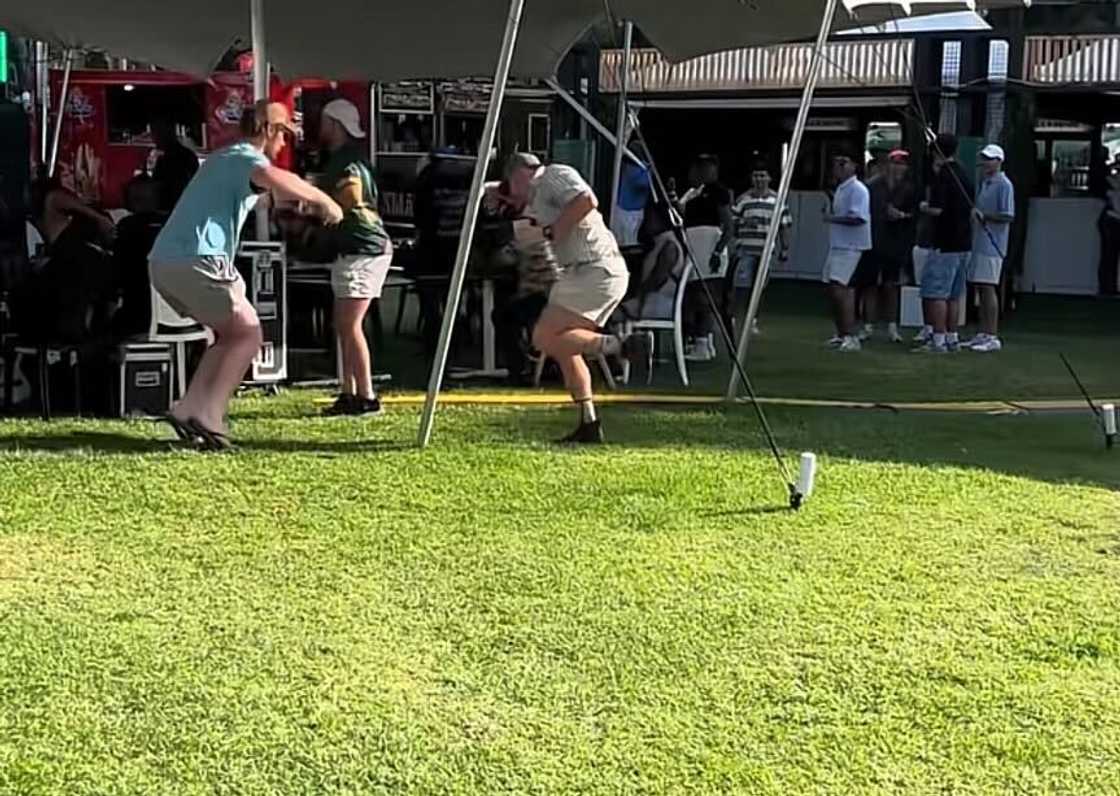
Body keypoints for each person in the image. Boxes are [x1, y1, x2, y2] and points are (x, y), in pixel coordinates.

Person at [149, 101, 343, 449]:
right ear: (270, 131)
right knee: (249, 334)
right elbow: (274, 178)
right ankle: (210, 416)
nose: (285, 145)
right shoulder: (245, 157)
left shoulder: (225, 160)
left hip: (167, 261)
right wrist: (323, 201)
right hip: (196, 258)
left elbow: (263, 195)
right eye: (285, 136)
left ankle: (188, 407)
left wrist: (291, 205)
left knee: (229, 335)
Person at [495, 153, 642, 444]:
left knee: (542, 338)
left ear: (520, 174)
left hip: (593, 269)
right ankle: (589, 421)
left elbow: (586, 200)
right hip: (582, 274)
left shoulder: (552, 175)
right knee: (565, 346)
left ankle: (619, 345)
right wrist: (502, 196)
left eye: (512, 185)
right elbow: (515, 207)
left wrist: (555, 231)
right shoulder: (537, 200)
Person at [312, 99, 394, 416]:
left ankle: (367, 396)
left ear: (334, 125)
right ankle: (350, 392)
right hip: (360, 248)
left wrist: (319, 206)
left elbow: (351, 196)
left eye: (324, 122)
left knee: (349, 324)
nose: (320, 128)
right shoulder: (351, 159)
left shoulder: (345, 165)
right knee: (344, 324)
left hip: (362, 248)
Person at [915, 133, 973, 354]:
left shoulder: (943, 176)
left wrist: (922, 207)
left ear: (937, 151)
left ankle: (938, 340)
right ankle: (952, 337)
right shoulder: (964, 174)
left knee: (936, 293)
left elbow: (938, 209)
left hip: (945, 243)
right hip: (963, 242)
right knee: (953, 295)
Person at [853, 149, 917, 343]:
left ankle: (892, 327)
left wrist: (902, 216)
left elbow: (915, 214)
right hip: (872, 241)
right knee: (870, 286)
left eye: (902, 164)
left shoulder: (910, 188)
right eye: (894, 163)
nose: (898, 168)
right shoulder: (872, 186)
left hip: (895, 243)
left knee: (891, 286)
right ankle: (868, 326)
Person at [728, 160, 791, 338]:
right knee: (740, 286)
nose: (759, 179)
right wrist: (744, 224)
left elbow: (784, 225)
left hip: (765, 251)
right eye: (756, 175)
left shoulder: (777, 201)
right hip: (745, 249)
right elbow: (731, 224)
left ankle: (752, 321)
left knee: (759, 288)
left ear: (769, 178)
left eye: (762, 175)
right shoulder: (743, 199)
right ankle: (732, 317)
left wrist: (785, 248)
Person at [681, 154, 734, 362]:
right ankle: (704, 340)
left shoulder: (718, 192)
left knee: (705, 295)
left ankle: (702, 343)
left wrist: (717, 251)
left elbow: (728, 226)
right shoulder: (694, 192)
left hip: (708, 245)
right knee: (695, 293)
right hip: (695, 245)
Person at [965, 144, 1015, 353]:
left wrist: (985, 215)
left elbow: (1008, 215)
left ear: (999, 161)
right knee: (980, 287)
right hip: (979, 243)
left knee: (988, 288)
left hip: (993, 244)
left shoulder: (1004, 184)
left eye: (990, 159)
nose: (986, 162)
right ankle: (983, 332)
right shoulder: (984, 182)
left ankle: (992, 335)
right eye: (984, 158)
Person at [822, 150, 872, 352]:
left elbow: (859, 218)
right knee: (833, 288)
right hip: (838, 245)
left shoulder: (858, 189)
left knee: (840, 288)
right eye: (836, 163)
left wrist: (831, 218)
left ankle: (850, 336)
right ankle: (841, 333)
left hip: (851, 246)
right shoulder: (841, 189)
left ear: (854, 166)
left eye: (844, 162)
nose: (839, 167)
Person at [151, 117, 199, 213]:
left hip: (174, 212)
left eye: (156, 133)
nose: (154, 138)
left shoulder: (169, 160)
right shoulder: (188, 155)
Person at [611, 143, 652, 247]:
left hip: (636, 213)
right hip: (624, 214)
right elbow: (645, 183)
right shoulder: (631, 168)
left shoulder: (642, 168)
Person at [1099, 165, 1120, 296]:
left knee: (1109, 256)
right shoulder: (1114, 183)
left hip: (1111, 219)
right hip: (1113, 220)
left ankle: (1108, 288)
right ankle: (1108, 288)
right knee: (1110, 257)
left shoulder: (1112, 182)